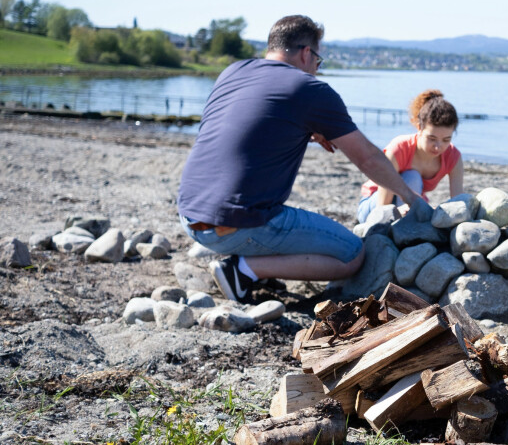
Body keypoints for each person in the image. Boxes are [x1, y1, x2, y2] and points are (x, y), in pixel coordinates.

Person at [177, 15, 427, 303]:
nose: (316, 71)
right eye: (318, 63)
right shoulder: (310, 89)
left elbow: (246, 127)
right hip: (232, 224)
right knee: (352, 255)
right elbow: (368, 158)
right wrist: (409, 196)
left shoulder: (234, 71)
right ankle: (242, 270)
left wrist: (306, 131)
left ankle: (257, 263)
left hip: (190, 214)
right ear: (307, 53)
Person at [357, 89, 463, 223]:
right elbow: (381, 208)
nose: (438, 147)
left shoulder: (453, 156)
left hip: (409, 201)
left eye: (446, 140)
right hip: (373, 204)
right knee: (412, 176)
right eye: (432, 138)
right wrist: (397, 211)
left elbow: (459, 202)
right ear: (419, 128)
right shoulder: (399, 148)